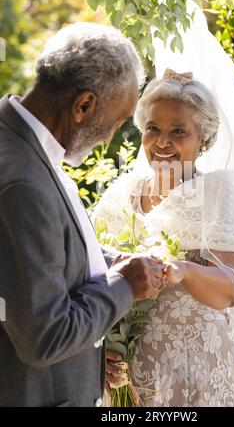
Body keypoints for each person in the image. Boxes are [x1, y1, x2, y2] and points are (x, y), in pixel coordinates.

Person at [93, 8, 234, 408]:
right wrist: (105, 354)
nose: (163, 142)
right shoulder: (120, 195)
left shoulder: (221, 192)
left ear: (204, 140)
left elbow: (233, 288)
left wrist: (181, 271)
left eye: (178, 131)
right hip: (134, 386)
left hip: (205, 379)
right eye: (154, 129)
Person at [0, 23, 166, 407]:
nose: (110, 138)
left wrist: (105, 260)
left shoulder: (21, 141)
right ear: (84, 105)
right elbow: (45, 337)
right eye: (117, 122)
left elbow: (28, 257)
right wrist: (124, 285)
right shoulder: (23, 182)